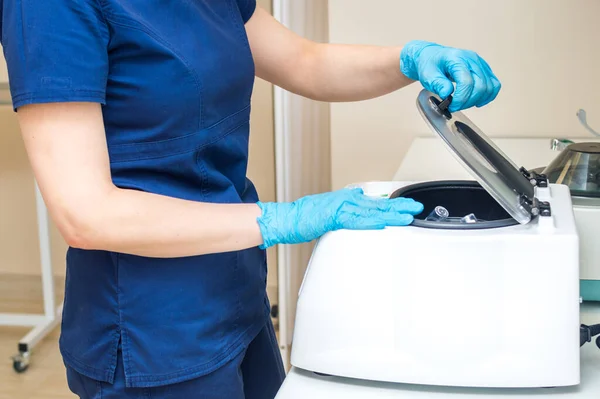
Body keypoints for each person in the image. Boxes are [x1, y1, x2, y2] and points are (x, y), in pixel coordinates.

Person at [0, 1, 501, 398]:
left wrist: (409, 59)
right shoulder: (48, 7)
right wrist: (285, 219)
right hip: (153, 334)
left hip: (235, 292)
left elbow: (305, 62)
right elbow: (86, 214)